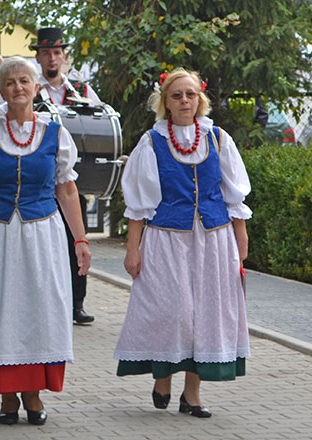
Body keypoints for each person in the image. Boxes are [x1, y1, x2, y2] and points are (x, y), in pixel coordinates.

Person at [0, 56, 91, 425]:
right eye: (10, 82)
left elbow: (66, 190)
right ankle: (7, 397)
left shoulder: (55, 134)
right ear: (0, 90)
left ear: (35, 87)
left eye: (24, 81)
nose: (18, 88)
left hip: (41, 233)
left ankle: (32, 393)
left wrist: (80, 240)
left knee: (38, 309)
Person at [114, 68, 251, 418]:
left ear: (200, 98)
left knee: (205, 314)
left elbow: (234, 198)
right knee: (170, 310)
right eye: (177, 95)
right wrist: (133, 249)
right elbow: (139, 204)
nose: (185, 101)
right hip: (166, 239)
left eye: (190, 94)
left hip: (214, 240)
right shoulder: (152, 141)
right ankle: (163, 375)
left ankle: (192, 395)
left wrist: (241, 241)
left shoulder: (218, 138)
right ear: (166, 103)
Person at [32, 26, 98, 324]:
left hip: (73, 177)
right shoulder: (28, 87)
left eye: (56, 53)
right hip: (38, 178)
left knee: (76, 238)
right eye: (46, 53)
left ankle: (77, 303)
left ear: (64, 56)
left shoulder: (81, 90)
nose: (51, 58)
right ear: (38, 56)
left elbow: (99, 121)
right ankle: (43, 303)